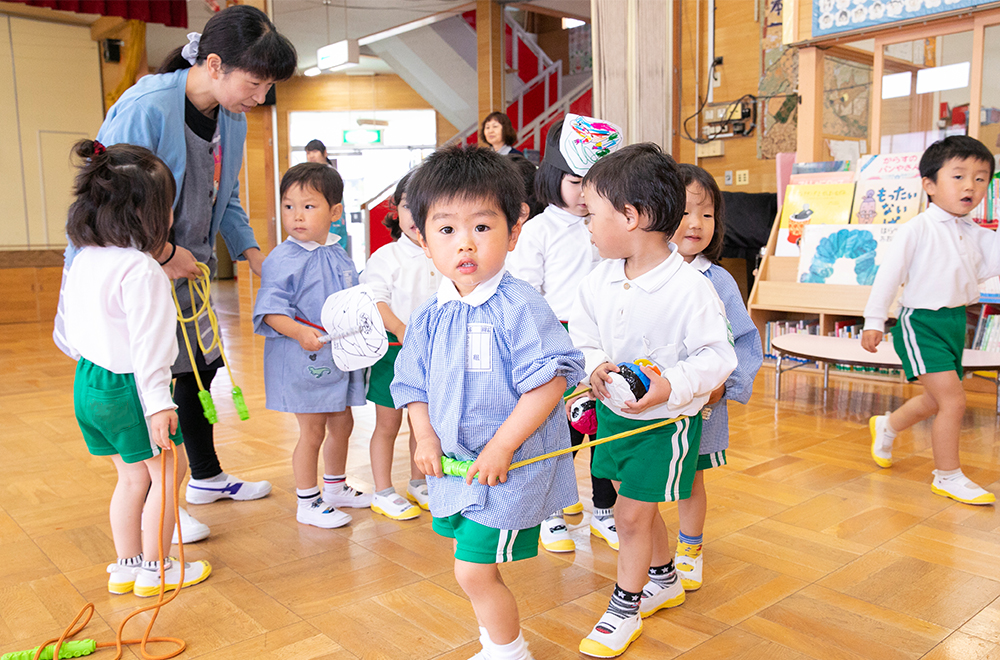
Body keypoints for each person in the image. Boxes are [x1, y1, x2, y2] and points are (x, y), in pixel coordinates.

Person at [55, 5, 298, 543]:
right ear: (215, 64)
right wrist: (164, 255)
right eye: (255, 84)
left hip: (186, 268)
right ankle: (162, 500)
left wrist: (256, 254)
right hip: (138, 271)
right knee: (157, 377)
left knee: (199, 369)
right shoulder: (146, 107)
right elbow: (110, 201)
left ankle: (203, 477)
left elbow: (224, 198)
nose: (259, 99)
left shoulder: (229, 116)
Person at [391, 145, 585, 660]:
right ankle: (496, 645)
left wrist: (501, 446)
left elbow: (549, 382)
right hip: (456, 470)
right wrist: (426, 436)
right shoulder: (431, 313)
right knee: (472, 565)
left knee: (473, 569)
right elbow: (412, 383)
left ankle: (508, 650)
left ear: (513, 232)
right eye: (446, 229)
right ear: (422, 238)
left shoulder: (520, 305)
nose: (465, 244)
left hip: (509, 468)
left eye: (482, 226)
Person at [569, 144, 736, 658]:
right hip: (614, 417)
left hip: (665, 425)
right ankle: (663, 577)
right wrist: (595, 363)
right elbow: (583, 333)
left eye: (592, 214)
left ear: (632, 216)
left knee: (631, 517)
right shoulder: (598, 279)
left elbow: (718, 356)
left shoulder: (690, 288)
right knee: (629, 504)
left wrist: (671, 385)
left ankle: (624, 605)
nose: (588, 226)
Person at [61, 140, 211, 598]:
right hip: (129, 388)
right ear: (146, 213)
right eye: (167, 207)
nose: (170, 218)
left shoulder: (85, 258)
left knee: (131, 476)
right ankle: (158, 567)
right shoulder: (141, 269)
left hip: (88, 382)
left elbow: (66, 328)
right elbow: (150, 348)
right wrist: (160, 404)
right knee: (169, 471)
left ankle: (126, 566)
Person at [507, 114, 624, 555]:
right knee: (560, 434)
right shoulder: (538, 230)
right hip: (558, 349)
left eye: (593, 182)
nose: (584, 193)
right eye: (576, 181)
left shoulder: (611, 223)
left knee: (606, 431)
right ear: (553, 177)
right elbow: (527, 294)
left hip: (606, 346)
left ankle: (604, 511)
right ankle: (550, 512)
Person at [863, 135, 999, 505]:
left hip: (957, 323)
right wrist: (874, 320)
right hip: (920, 323)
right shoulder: (917, 230)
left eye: (981, 177)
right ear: (929, 185)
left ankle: (887, 426)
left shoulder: (979, 236)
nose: (970, 185)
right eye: (958, 176)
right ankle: (948, 475)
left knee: (936, 400)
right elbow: (888, 278)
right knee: (953, 400)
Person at [253, 163, 370, 528]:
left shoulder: (337, 251)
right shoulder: (282, 259)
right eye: (289, 207)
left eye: (308, 207)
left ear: (334, 213)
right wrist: (297, 332)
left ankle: (335, 486)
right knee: (313, 430)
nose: (297, 216)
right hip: (303, 358)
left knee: (343, 422)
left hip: (339, 358)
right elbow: (270, 311)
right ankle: (307, 500)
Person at [669, 164, 763, 591]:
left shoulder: (719, 280)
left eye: (707, 214)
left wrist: (727, 384)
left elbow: (744, 339)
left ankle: (689, 549)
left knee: (691, 478)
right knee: (637, 481)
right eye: (686, 211)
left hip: (702, 406)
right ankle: (651, 554)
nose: (696, 223)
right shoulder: (634, 274)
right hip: (649, 403)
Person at [359, 172, 442, 520]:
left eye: (424, 206)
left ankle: (419, 481)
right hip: (394, 351)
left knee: (424, 423)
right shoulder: (386, 256)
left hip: (435, 353)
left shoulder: (443, 252)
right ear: (396, 210)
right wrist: (401, 329)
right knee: (388, 424)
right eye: (408, 205)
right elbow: (373, 300)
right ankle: (382, 490)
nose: (414, 214)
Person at [304, 139, 350, 249]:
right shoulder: (308, 176)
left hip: (333, 217)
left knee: (335, 246)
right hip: (316, 218)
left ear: (325, 153)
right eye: (308, 153)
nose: (311, 156)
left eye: (315, 152)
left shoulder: (332, 174)